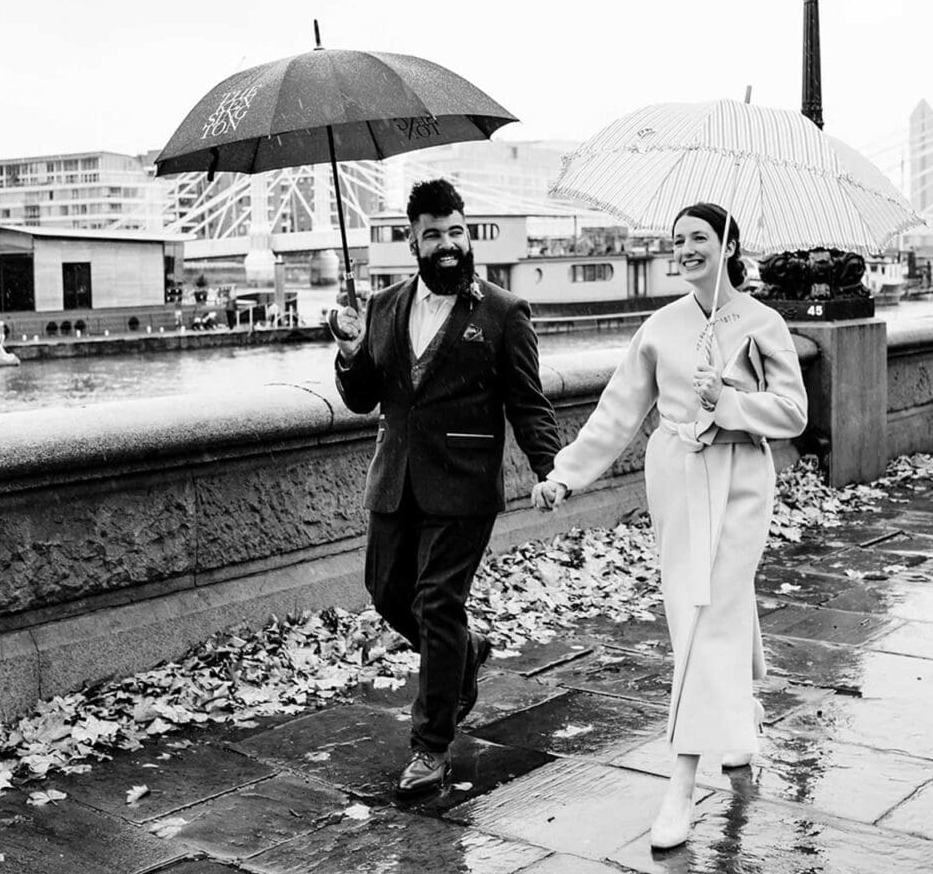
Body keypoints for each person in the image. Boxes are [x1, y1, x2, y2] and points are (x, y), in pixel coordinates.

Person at [532, 202, 808, 849]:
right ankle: (739, 715)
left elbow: (794, 411)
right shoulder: (660, 327)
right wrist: (566, 474)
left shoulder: (763, 323)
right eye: (678, 239)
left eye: (700, 237)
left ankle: (680, 786)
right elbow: (618, 412)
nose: (685, 248)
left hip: (741, 479)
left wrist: (728, 401)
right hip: (676, 478)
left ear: (729, 245)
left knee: (710, 610)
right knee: (694, 608)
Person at [332, 178, 563, 796]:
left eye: (455, 231)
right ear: (413, 242)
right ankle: (464, 650)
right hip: (395, 479)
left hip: (464, 485)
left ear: (467, 234)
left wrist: (551, 469)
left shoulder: (504, 312)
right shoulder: (383, 307)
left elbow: (528, 401)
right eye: (433, 235)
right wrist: (351, 351)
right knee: (387, 595)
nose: (447, 244)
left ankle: (431, 747)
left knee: (437, 603)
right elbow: (361, 398)